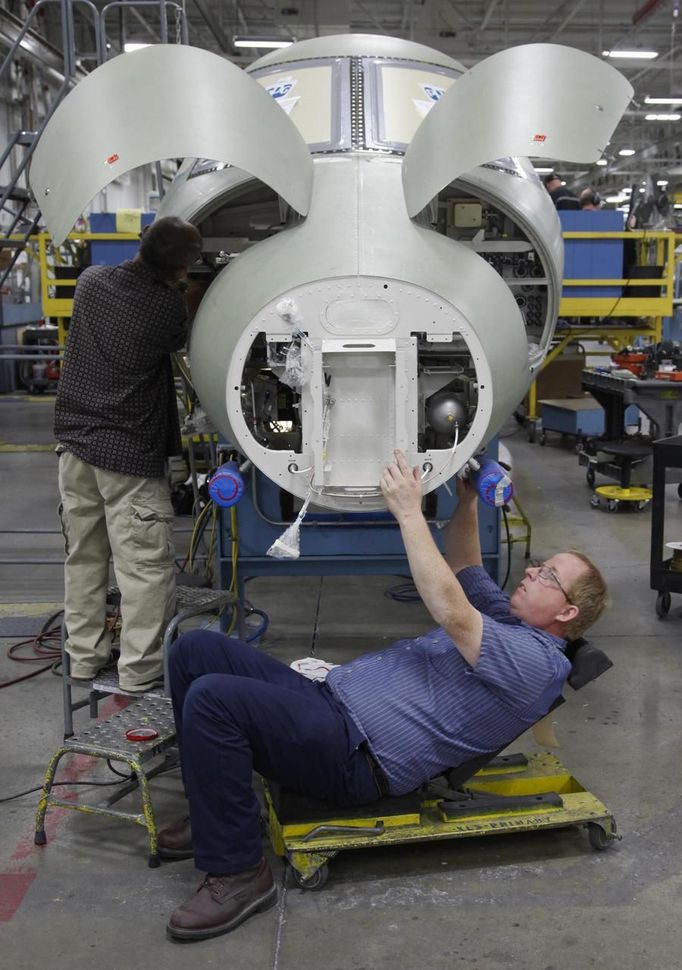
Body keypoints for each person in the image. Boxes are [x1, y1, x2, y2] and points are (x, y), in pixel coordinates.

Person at [159, 450, 607, 942]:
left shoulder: (539, 663)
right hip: (328, 702)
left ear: (566, 614)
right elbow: (463, 568)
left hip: (355, 756)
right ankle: (214, 817)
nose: (530, 571)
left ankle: (240, 872)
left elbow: (451, 611)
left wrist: (410, 513)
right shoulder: (509, 619)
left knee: (212, 699)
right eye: (539, 565)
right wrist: (465, 502)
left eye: (547, 576)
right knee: (196, 650)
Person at [55, 216, 203, 692]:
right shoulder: (165, 310)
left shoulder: (91, 282)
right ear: (180, 270)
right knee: (142, 569)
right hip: (128, 457)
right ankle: (139, 673)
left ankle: (82, 658)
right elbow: (181, 334)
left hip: (75, 446)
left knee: (84, 558)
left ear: (141, 245)